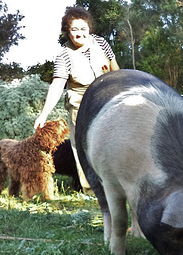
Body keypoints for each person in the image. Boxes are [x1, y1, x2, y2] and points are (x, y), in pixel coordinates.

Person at [34, 6, 119, 191]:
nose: (80, 33)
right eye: (74, 29)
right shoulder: (64, 55)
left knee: (111, 140)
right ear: (67, 31)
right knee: (82, 145)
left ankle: (114, 184)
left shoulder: (102, 44)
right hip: (79, 103)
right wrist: (43, 114)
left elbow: (116, 72)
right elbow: (57, 85)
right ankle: (89, 188)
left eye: (83, 28)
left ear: (89, 28)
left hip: (106, 100)